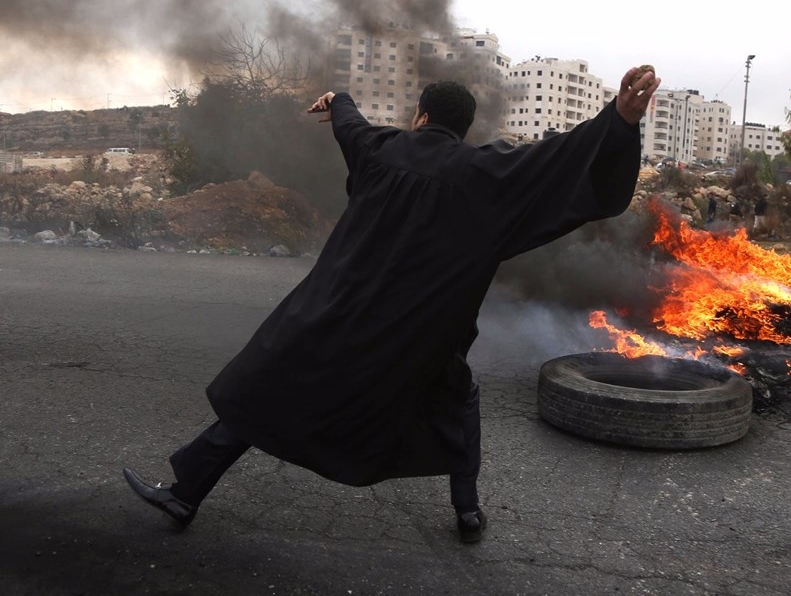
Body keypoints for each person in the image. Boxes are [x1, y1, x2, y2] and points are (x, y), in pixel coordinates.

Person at [121, 65, 662, 544]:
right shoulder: (489, 176)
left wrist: (336, 99)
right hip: (423, 339)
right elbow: (561, 157)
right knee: (456, 401)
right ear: (463, 128)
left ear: (419, 116)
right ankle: (467, 511)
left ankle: (186, 490)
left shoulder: (381, 149)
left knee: (268, 392)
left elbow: (350, 123)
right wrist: (618, 119)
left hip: (335, 320)